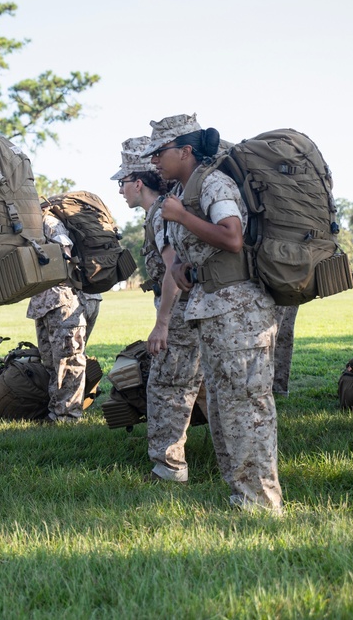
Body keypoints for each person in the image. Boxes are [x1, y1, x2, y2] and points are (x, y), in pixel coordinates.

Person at [145, 113, 283, 514]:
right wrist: (190, 269)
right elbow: (211, 249)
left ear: (186, 150)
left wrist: (182, 218)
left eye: (160, 151)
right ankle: (243, 497)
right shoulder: (190, 188)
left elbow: (232, 237)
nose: (154, 160)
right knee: (226, 410)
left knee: (247, 408)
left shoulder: (213, 182)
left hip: (239, 313)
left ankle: (262, 503)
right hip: (217, 310)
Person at [114, 135, 203, 483]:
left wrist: (162, 323)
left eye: (123, 183)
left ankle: (169, 469)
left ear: (137, 183)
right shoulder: (165, 208)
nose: (121, 191)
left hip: (179, 313)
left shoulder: (160, 214)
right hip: (191, 309)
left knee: (167, 387)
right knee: (194, 383)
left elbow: (172, 270)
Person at [26, 214, 90, 423]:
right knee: (51, 364)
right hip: (41, 304)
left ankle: (68, 416)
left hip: (61, 302)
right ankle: (56, 413)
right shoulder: (27, 226)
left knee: (68, 361)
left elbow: (66, 255)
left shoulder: (49, 221)